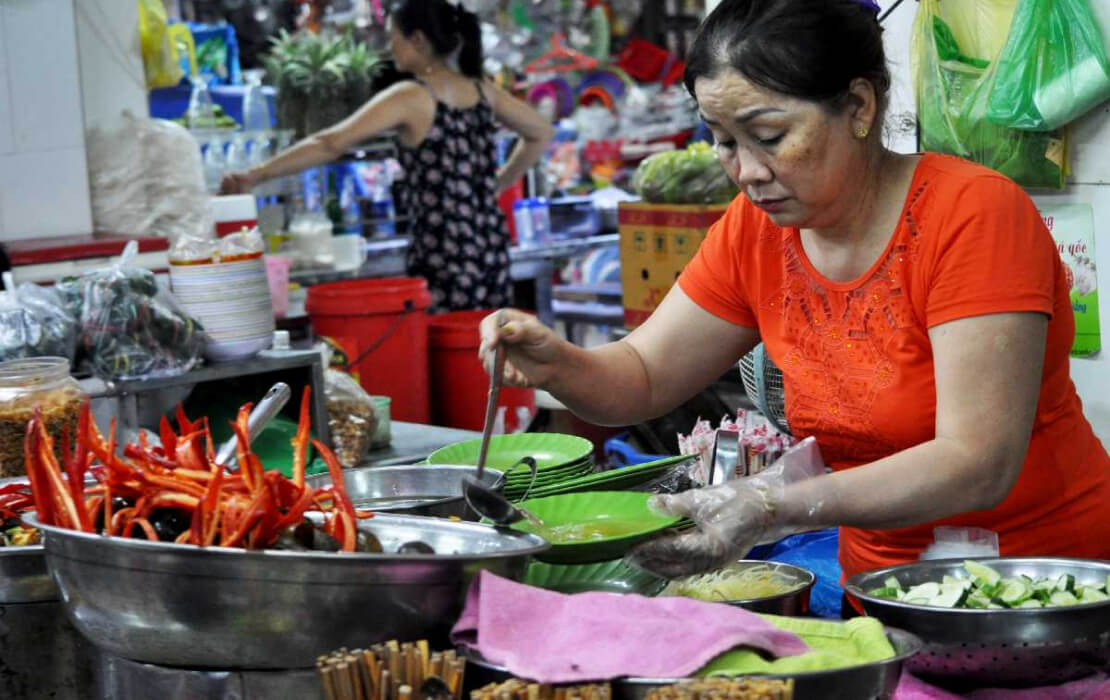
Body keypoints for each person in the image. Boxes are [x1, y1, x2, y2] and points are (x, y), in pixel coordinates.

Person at [479, 0, 1110, 588]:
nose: (748, 171)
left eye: (770, 135)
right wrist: (556, 363)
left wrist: (767, 504)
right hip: (884, 585)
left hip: (1040, 583)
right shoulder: (755, 231)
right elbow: (641, 377)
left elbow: (977, 462)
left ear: (859, 106)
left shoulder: (972, 215)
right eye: (724, 141)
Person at [222, 0, 554, 312]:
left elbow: (331, 142)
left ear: (419, 40)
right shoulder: (482, 90)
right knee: (483, 351)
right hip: (489, 249)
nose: (389, 46)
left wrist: (257, 174)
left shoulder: (412, 96)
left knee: (450, 352)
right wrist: (498, 185)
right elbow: (540, 133)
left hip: (444, 254)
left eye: (394, 37)